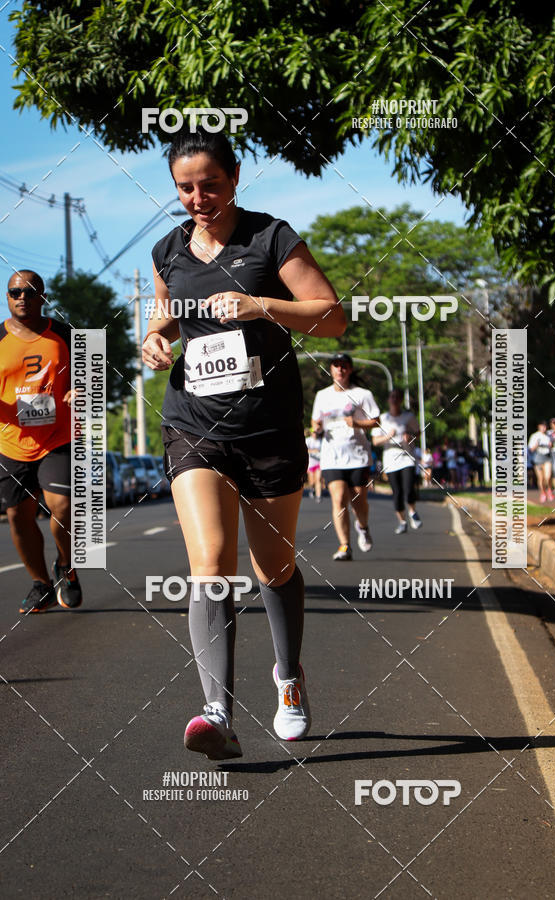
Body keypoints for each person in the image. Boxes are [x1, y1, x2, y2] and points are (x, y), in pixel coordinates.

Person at [143, 128, 345, 760]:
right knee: (210, 561)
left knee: (274, 567)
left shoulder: (271, 236)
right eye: (184, 188)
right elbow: (166, 314)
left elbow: (332, 314)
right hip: (193, 422)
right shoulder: (167, 249)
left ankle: (288, 678)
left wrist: (262, 305)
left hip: (267, 425)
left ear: (235, 177)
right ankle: (216, 712)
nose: (198, 198)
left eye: (210, 184)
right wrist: (155, 340)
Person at [0, 270, 82, 613]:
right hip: (11, 442)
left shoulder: (65, 334)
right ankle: (41, 584)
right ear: (7, 297)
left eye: (30, 292)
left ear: (43, 298)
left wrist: (82, 390)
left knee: (61, 506)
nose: (22, 297)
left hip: (58, 437)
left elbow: (91, 373)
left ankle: (66, 567)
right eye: (15, 292)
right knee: (18, 514)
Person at [311, 354, 380, 561]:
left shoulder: (362, 394)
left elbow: (375, 421)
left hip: (357, 456)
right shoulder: (322, 396)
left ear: (350, 370)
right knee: (339, 498)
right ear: (331, 369)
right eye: (336, 366)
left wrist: (357, 424)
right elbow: (315, 421)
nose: (340, 370)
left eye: (344, 366)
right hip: (332, 456)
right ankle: (344, 545)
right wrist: (317, 428)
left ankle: (363, 526)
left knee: (359, 500)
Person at [371, 390, 422, 533]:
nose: (394, 399)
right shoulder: (382, 418)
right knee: (397, 492)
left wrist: (409, 436)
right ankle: (402, 521)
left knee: (409, 488)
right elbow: (375, 441)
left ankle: (412, 512)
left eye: (397, 397)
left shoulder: (408, 417)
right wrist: (387, 437)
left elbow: (418, 433)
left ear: (400, 400)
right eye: (392, 396)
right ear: (388, 400)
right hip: (391, 460)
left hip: (407, 457)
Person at [528, 420, 554, 502]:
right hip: (538, 458)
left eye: (545, 426)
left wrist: (551, 445)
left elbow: (553, 446)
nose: (544, 428)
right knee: (541, 478)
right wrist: (536, 445)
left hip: (547, 457)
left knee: (548, 476)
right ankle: (543, 493)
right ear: (539, 427)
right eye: (542, 426)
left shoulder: (549, 436)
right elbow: (531, 449)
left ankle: (549, 490)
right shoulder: (534, 436)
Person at [305, 427, 322, 501]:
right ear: (311, 433)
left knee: (318, 479)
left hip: (319, 463)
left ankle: (318, 496)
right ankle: (312, 489)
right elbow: (305, 449)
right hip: (310, 463)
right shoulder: (308, 440)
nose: (315, 434)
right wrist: (313, 451)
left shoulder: (321, 441)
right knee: (312, 482)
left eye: (316, 432)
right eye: (313, 432)